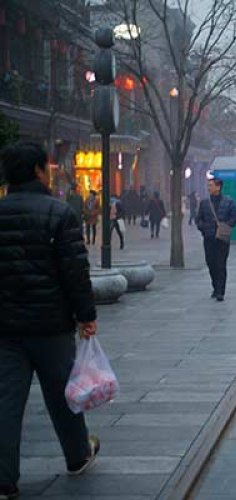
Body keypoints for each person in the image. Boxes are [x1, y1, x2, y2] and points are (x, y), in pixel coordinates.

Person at [0, 142, 101, 499]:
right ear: (40, 171)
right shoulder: (58, 213)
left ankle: (4, 478)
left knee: (6, 402)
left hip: (6, 330)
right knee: (63, 395)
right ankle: (77, 456)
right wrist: (86, 315)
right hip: (51, 326)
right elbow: (75, 271)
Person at [195, 177, 236, 301]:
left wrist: (225, 226)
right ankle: (215, 286)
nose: (209, 188)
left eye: (211, 185)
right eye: (208, 185)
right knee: (211, 263)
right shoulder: (204, 203)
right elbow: (199, 219)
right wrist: (203, 228)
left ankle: (221, 291)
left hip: (222, 239)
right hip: (208, 239)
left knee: (221, 264)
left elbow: (234, 218)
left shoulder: (228, 202)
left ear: (218, 187)